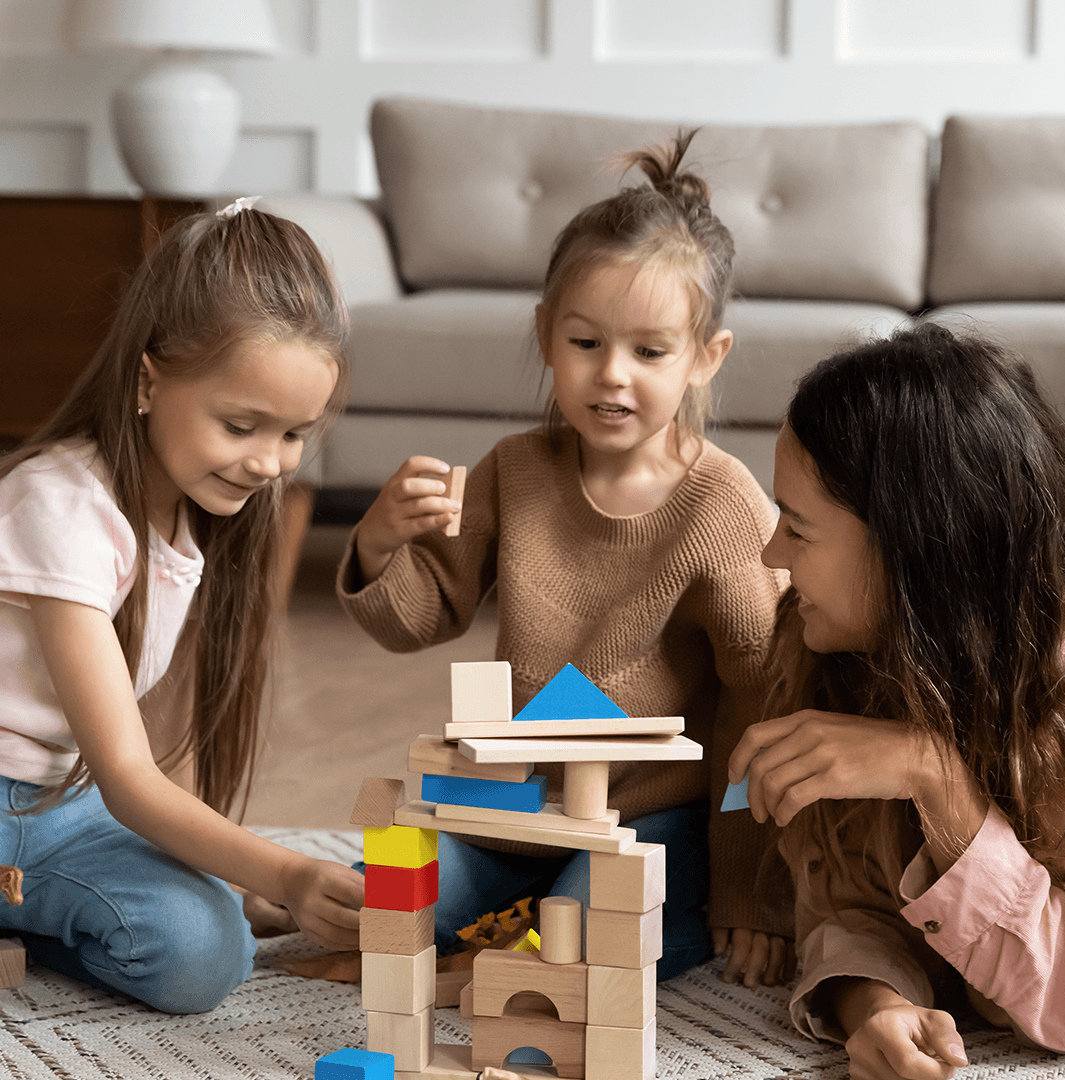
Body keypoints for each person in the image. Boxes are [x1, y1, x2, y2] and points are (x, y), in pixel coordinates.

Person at [338, 132, 791, 984]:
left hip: (650, 819)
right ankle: (483, 930)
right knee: (374, 900)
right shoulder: (517, 469)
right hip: (514, 806)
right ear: (547, 335)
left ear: (704, 358)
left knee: (585, 939)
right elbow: (427, 611)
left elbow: (759, 713)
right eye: (586, 343)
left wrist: (749, 895)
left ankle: (554, 946)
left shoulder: (723, 506)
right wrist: (377, 545)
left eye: (649, 352)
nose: (611, 376)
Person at [0, 201, 366, 1013]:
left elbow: (155, 745)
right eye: (242, 425)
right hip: (13, 803)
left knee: (219, 928)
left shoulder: (186, 517)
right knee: (203, 954)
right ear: (146, 379)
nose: (269, 462)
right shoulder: (63, 508)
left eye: (296, 434)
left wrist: (222, 870)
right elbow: (130, 780)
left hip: (67, 798)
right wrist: (279, 870)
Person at [728, 323, 1065, 1074]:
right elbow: (845, 904)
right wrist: (876, 1003)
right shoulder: (822, 655)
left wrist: (935, 778)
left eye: (797, 529)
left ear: (914, 553)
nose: (770, 556)